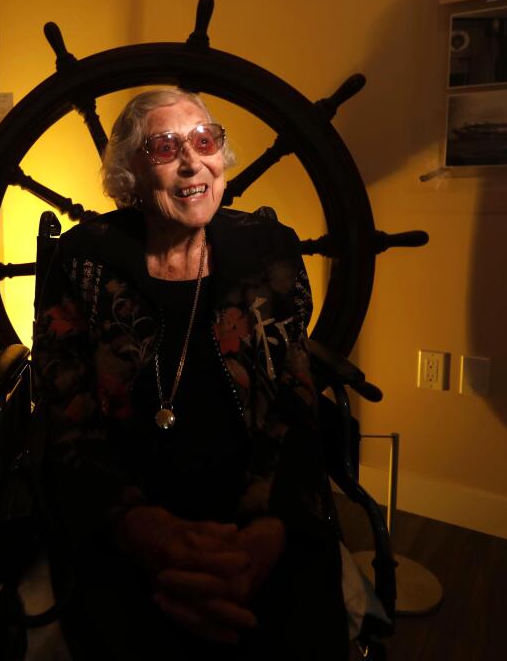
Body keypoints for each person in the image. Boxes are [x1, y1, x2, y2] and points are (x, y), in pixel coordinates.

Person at [32, 88, 348, 659]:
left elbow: (295, 407)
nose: (190, 161)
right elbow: (67, 419)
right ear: (131, 168)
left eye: (204, 141)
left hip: (260, 507)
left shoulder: (268, 251)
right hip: (125, 514)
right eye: (164, 146)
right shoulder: (83, 260)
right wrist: (140, 528)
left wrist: (263, 536)